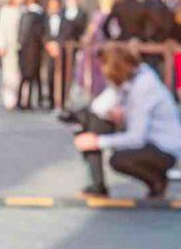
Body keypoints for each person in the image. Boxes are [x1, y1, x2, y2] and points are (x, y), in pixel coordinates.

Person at [73, 47, 181, 198]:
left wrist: (97, 141)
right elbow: (99, 106)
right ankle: (97, 184)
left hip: (164, 148)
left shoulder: (142, 88)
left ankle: (157, 181)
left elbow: (136, 138)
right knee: (99, 120)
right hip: (155, 140)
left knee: (118, 160)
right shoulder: (139, 75)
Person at [0, 0, 24, 110]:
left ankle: (21, 98)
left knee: (21, 73)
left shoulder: (24, 10)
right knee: (9, 74)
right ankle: (9, 99)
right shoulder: (6, 10)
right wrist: (0, 45)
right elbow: (0, 29)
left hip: (22, 47)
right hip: (9, 46)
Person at [17, 0, 45, 110]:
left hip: (26, 50)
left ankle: (24, 101)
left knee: (25, 77)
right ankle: (32, 101)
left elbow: (22, 34)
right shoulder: (39, 16)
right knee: (33, 77)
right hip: (34, 51)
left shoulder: (25, 15)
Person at [42, 0, 64, 110]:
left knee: (63, 75)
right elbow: (41, 32)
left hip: (62, 49)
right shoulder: (44, 17)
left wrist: (58, 45)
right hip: (48, 50)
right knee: (50, 75)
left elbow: (67, 32)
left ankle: (62, 101)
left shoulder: (65, 17)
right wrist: (48, 44)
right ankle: (50, 99)